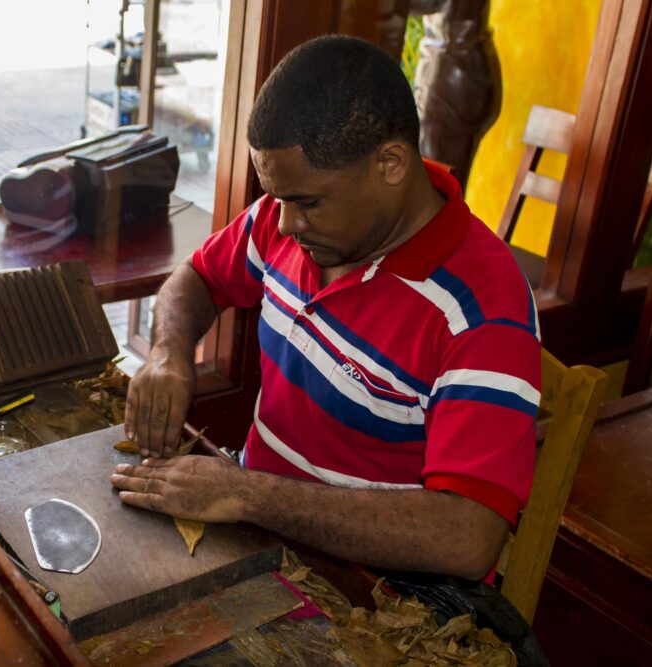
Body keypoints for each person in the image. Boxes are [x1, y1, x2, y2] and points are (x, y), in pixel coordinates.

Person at [110, 35, 541, 580]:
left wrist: (247, 495)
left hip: (378, 592)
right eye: (279, 198)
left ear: (390, 164)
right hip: (256, 533)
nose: (286, 223)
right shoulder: (290, 219)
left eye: (308, 202)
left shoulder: (482, 309)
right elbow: (196, 277)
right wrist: (168, 353)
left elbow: (466, 536)